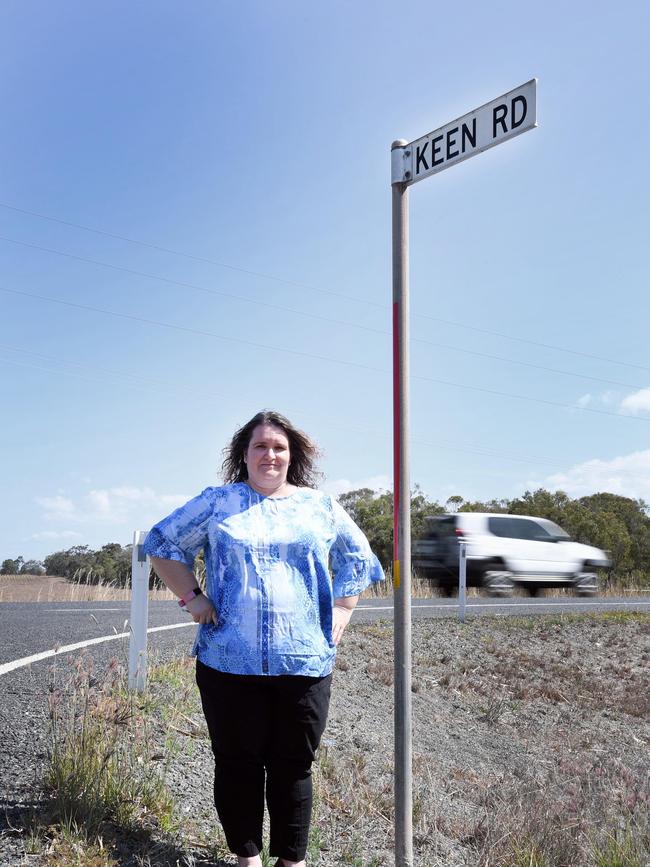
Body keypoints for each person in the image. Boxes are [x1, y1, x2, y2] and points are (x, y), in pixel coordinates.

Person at [144, 410, 384, 867]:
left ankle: (291, 860)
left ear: (292, 456)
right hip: (228, 661)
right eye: (260, 446)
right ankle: (247, 858)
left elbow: (359, 557)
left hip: (304, 663)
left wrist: (343, 608)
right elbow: (162, 542)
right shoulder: (219, 502)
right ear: (244, 454)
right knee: (237, 763)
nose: (269, 454)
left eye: (279, 447)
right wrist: (192, 598)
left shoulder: (320, 506)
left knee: (294, 766)